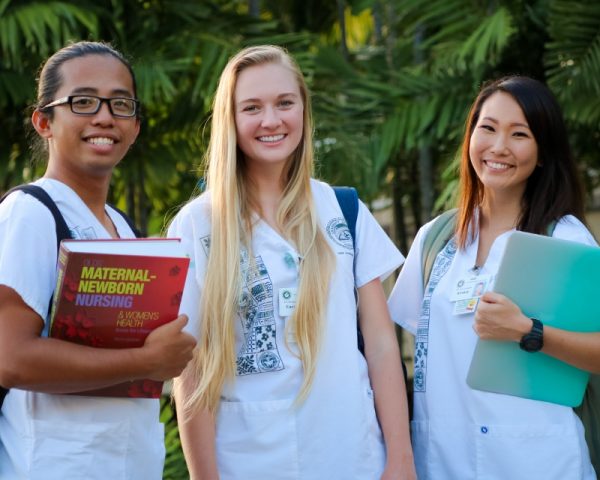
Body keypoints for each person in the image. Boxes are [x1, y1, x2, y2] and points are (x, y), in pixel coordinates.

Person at [168, 45, 416, 479]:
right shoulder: (197, 225)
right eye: (252, 107)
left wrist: (401, 459)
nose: (271, 120)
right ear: (230, 119)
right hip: (247, 462)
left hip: (351, 456)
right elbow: (192, 371)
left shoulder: (343, 211)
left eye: (285, 103)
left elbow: (379, 346)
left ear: (303, 109)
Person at [0, 41, 196, 479]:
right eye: (83, 101)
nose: (104, 117)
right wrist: (147, 363)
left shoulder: (121, 227)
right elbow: (9, 358)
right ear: (43, 121)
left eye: (120, 104)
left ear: (136, 126)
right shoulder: (32, 212)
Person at [388, 75, 599, 479]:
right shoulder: (435, 238)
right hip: (442, 458)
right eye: (487, 128)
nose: (498, 147)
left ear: (541, 153)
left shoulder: (566, 238)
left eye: (519, 134)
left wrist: (530, 331)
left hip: (537, 460)